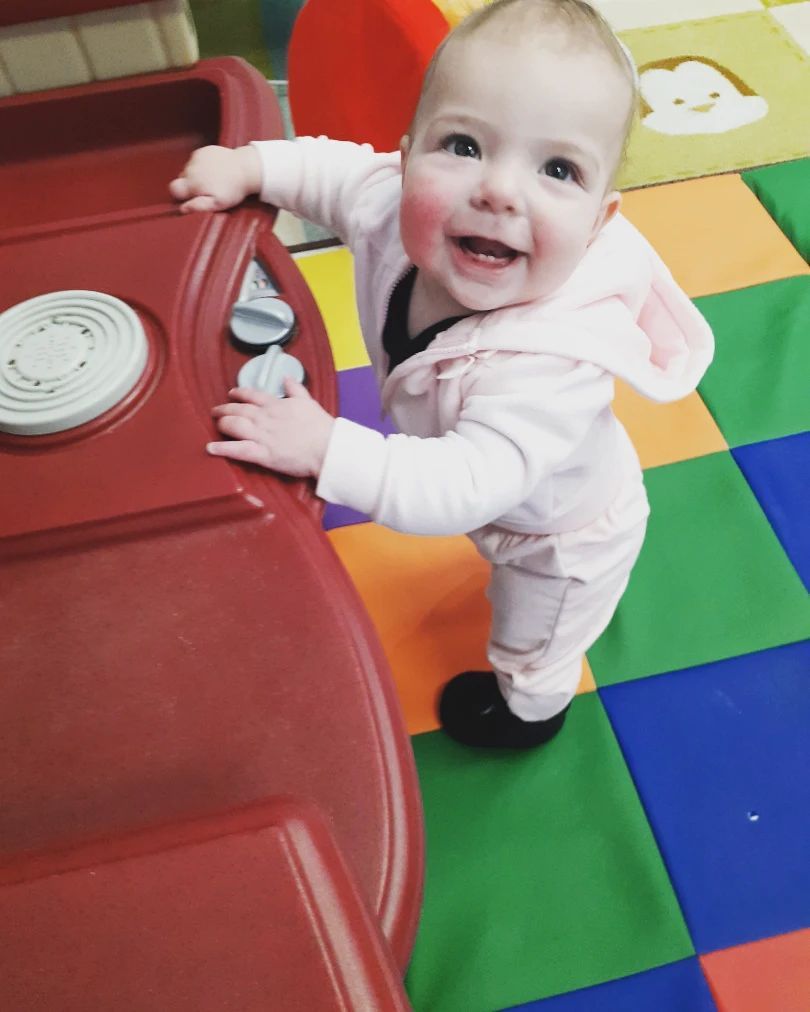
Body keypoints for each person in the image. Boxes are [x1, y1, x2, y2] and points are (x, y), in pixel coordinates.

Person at [169, 0, 713, 749]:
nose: (498, 190)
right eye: (462, 145)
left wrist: (328, 450)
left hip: (559, 534)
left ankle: (530, 709)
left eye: (557, 168)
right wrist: (253, 165)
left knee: (537, 632)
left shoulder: (551, 364)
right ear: (405, 155)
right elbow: (332, 172)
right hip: (498, 497)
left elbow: (462, 486)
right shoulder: (389, 204)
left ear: (598, 221)